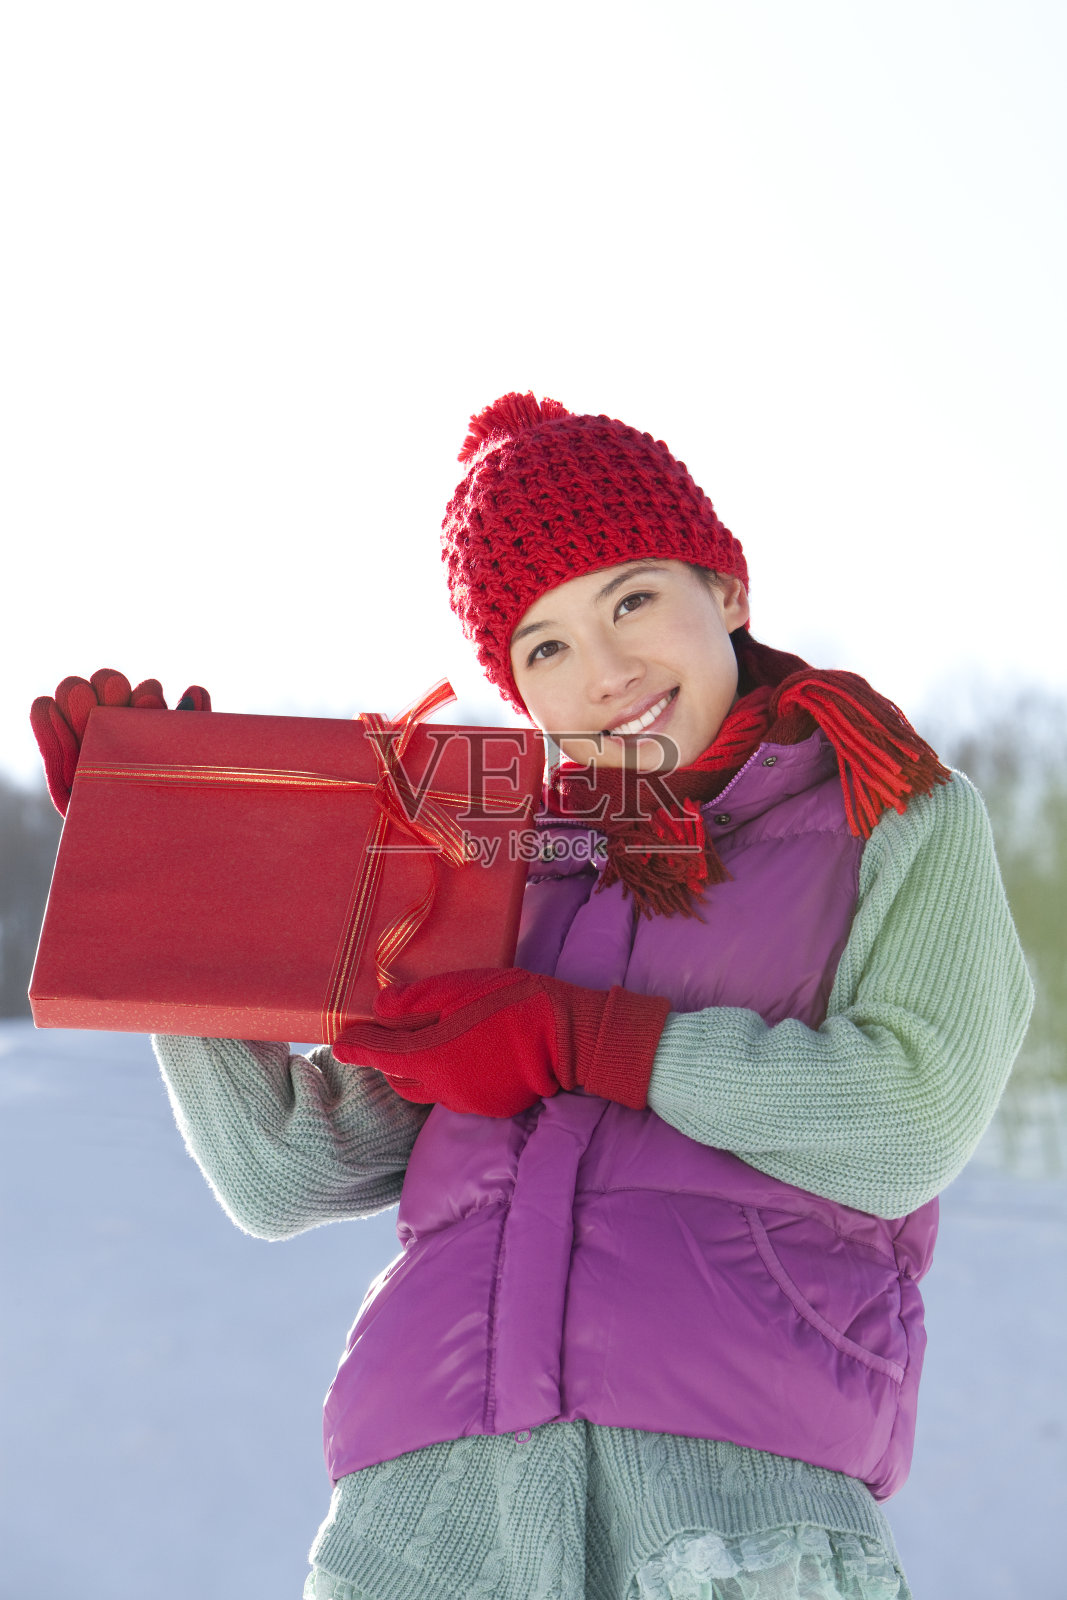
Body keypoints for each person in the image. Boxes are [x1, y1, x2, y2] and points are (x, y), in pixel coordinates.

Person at [31, 392, 1034, 1599]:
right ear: (516, 692)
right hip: (424, 1516)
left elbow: (905, 1119)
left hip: (725, 1505)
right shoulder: (494, 864)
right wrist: (165, 883)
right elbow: (283, 1169)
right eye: (544, 646)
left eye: (629, 601)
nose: (603, 672)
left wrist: (583, 1038)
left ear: (724, 588)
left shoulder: (888, 817)